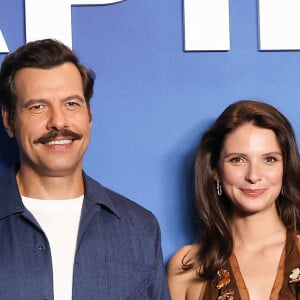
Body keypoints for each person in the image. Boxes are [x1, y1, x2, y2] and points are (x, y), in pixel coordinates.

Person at [0, 39, 170, 300]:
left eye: (71, 104)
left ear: (89, 115)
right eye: (38, 107)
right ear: (9, 121)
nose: (58, 121)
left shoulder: (140, 227)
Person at [167, 100, 300, 300]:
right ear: (215, 171)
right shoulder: (186, 267)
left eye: (269, 159)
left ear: (285, 167)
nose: (254, 176)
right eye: (237, 159)